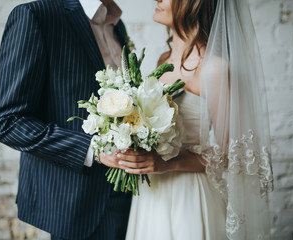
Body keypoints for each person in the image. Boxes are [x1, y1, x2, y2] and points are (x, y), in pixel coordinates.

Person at [111, 0, 274, 239]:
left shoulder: (213, 68)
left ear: (194, 4)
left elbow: (234, 155)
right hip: (152, 195)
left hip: (188, 195)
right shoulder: (163, 60)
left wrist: (169, 163)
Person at [0, 0, 132, 239]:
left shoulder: (118, 26)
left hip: (127, 197)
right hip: (72, 202)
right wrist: (94, 150)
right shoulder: (35, 16)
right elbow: (7, 121)